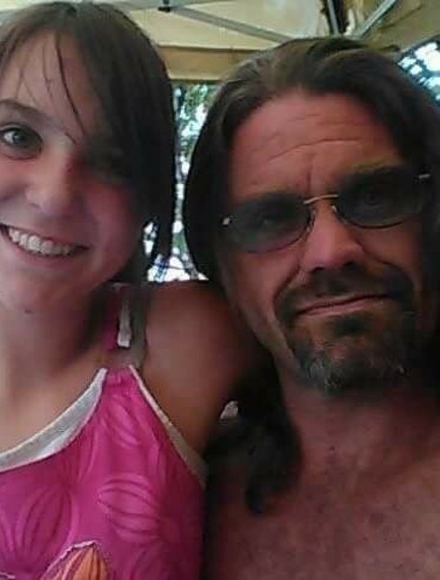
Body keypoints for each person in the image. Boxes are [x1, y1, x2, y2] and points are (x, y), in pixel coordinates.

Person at [0, 3, 251, 577]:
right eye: (18, 136)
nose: (54, 196)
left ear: (146, 201)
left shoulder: (190, 343)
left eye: (111, 162)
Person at [184, 37, 440, 579]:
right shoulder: (176, 496)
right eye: (271, 219)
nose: (330, 252)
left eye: (374, 198)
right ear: (223, 267)